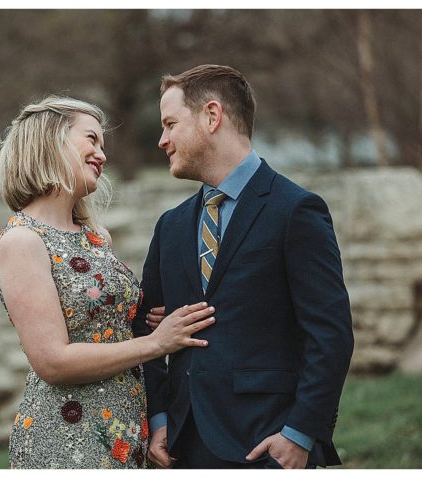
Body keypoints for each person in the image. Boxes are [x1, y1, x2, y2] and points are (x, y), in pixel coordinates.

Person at [132, 64, 354, 469]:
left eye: (170, 124)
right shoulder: (171, 226)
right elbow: (144, 330)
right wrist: (159, 418)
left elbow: (330, 333)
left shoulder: (295, 210)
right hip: (183, 447)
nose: (162, 139)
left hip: (267, 445)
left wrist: (299, 434)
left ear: (212, 116)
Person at [0, 96, 217, 468]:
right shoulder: (22, 241)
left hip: (125, 429)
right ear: (50, 142)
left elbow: (109, 324)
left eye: (102, 145)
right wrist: (155, 343)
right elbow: (52, 361)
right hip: (66, 438)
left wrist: (149, 321)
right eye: (91, 140)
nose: (102, 154)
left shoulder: (98, 238)